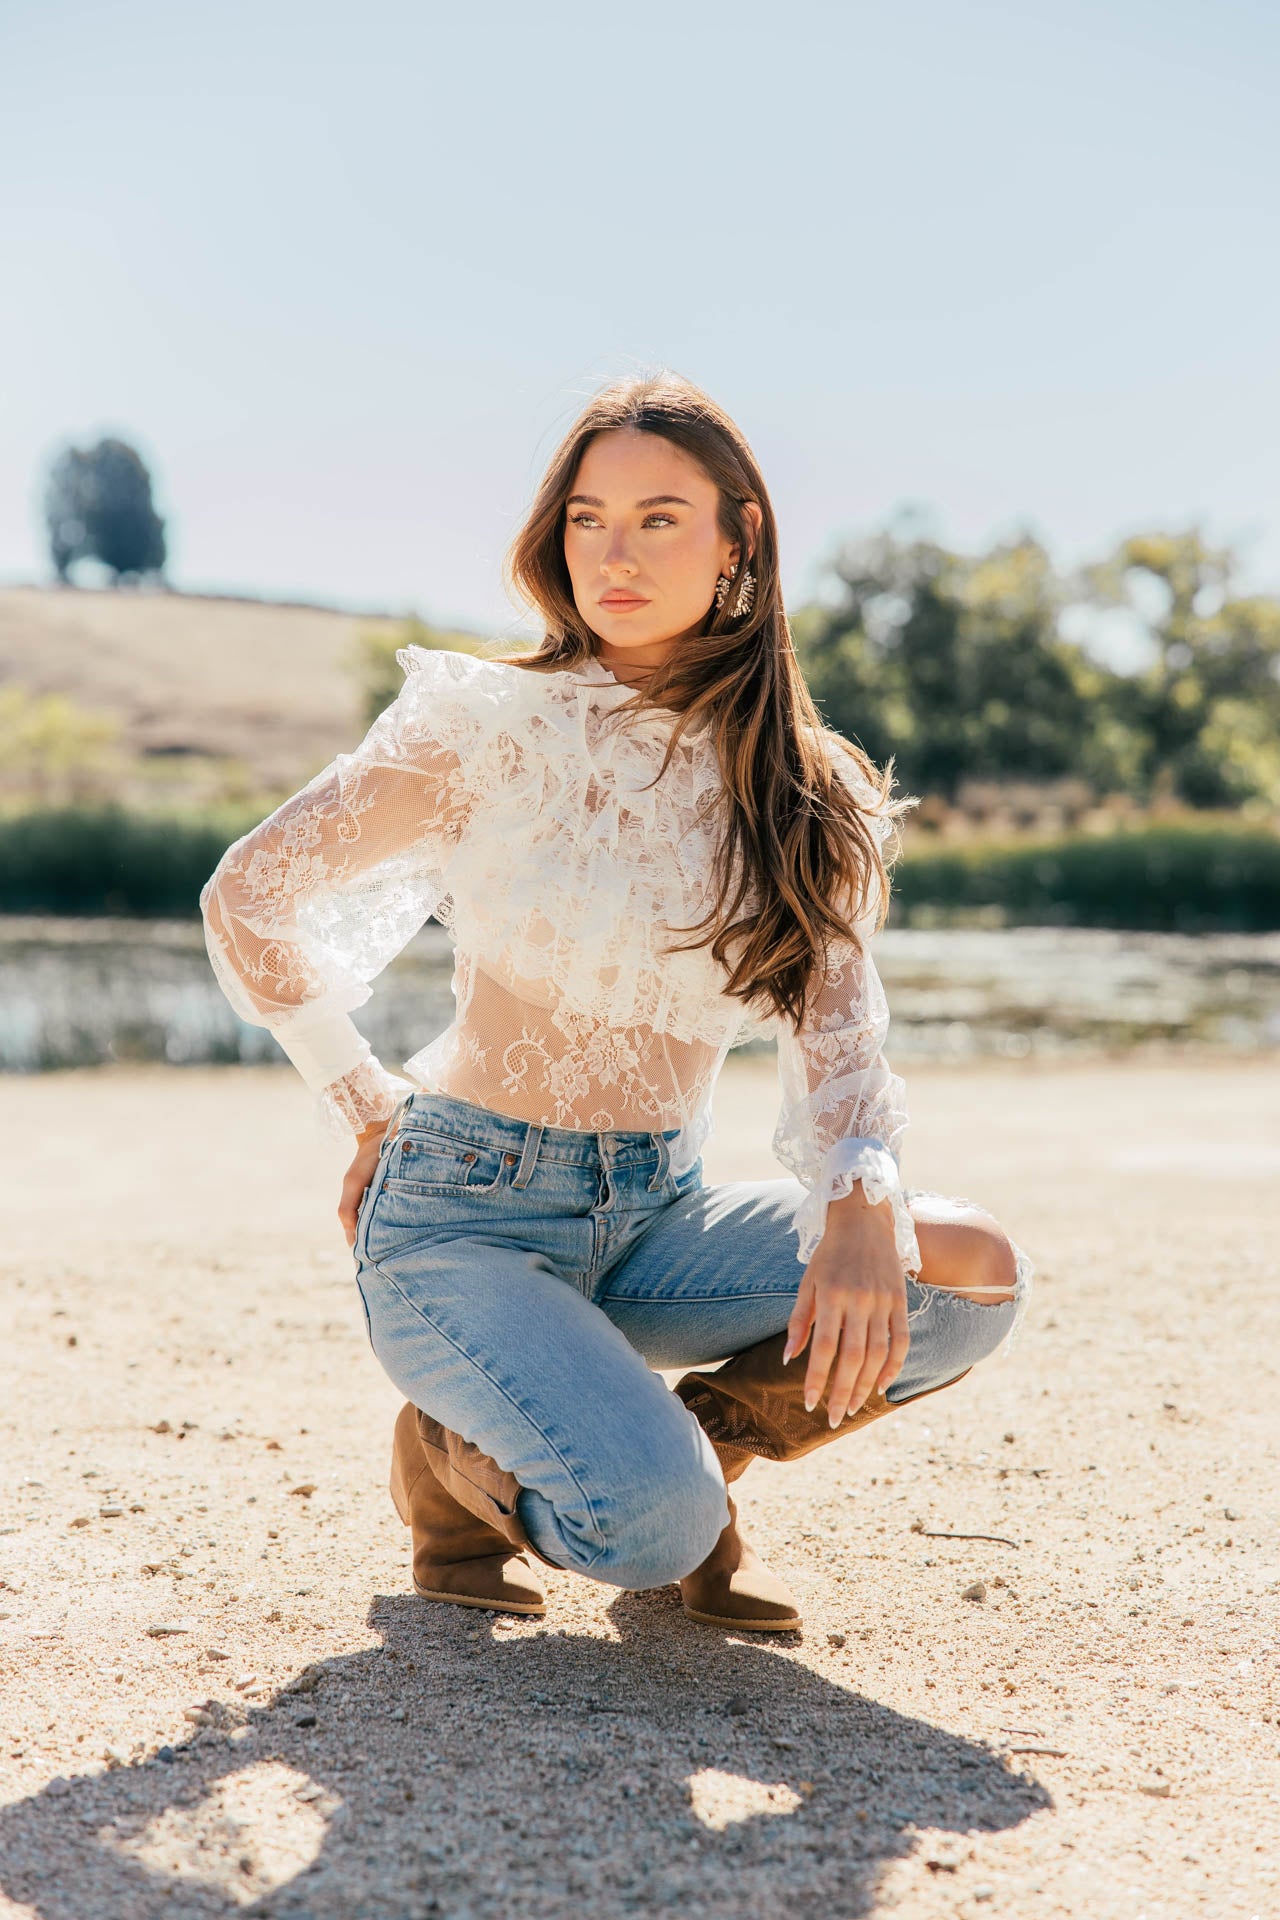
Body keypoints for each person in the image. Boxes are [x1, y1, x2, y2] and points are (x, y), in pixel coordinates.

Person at [199, 371, 1031, 1633]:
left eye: (657, 518)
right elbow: (248, 893)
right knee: (651, 1533)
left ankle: (691, 1445)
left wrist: (860, 1199)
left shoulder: (806, 788)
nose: (613, 554)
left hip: (658, 1217)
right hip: (463, 1220)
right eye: (587, 519)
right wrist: (363, 1102)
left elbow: (838, 1032)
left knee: (965, 1272)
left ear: (738, 537)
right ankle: (463, 1461)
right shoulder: (489, 729)